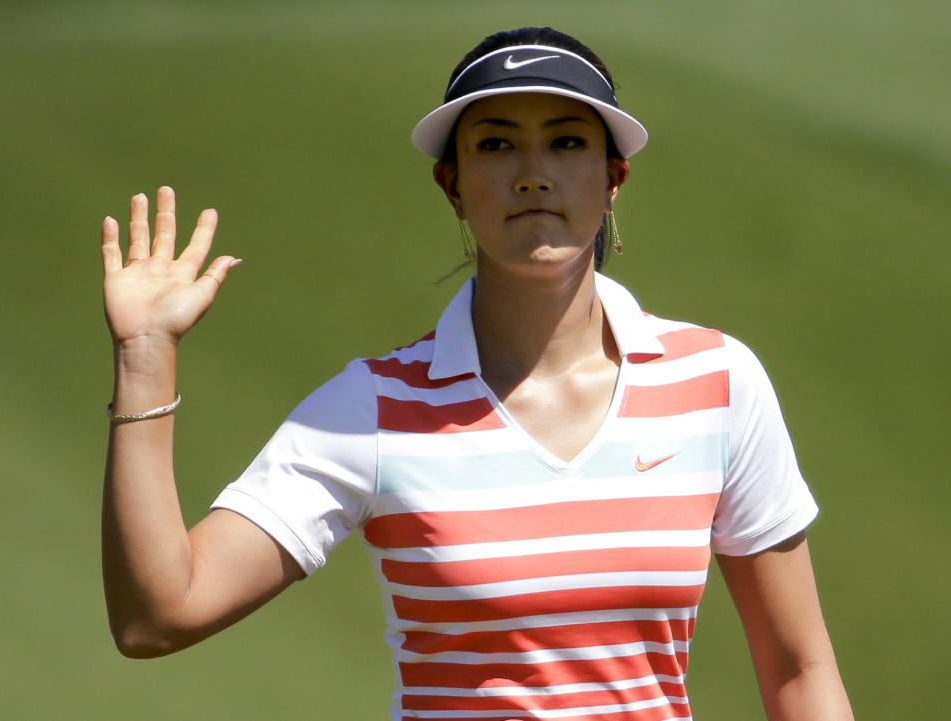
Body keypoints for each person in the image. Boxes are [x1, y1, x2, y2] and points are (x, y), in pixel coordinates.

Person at [101, 26, 853, 721]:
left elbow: (798, 666)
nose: (533, 175)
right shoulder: (374, 408)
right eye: (496, 146)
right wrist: (145, 356)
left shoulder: (717, 381)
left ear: (613, 177)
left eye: (565, 142)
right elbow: (158, 615)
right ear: (453, 185)